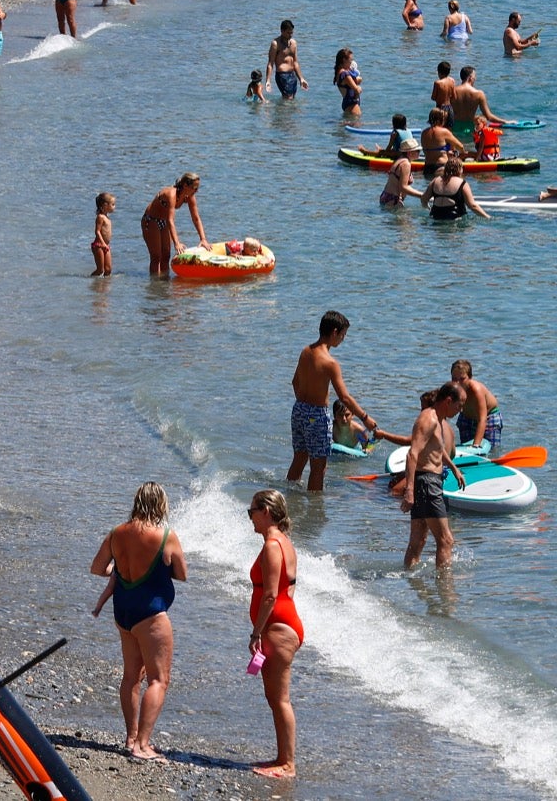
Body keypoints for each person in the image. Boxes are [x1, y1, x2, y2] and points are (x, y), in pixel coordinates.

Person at [90, 483, 188, 761]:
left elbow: (97, 568)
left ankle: (131, 736)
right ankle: (142, 745)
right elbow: (181, 574)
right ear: (161, 505)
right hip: (151, 614)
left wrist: (116, 568)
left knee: (132, 676)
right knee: (159, 679)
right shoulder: (166, 536)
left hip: (123, 611)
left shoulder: (116, 533)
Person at [289, 311, 378, 493]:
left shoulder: (306, 351)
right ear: (335, 332)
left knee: (299, 458)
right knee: (319, 468)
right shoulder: (330, 362)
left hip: (298, 410)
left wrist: (304, 406)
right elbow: (344, 397)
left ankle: (289, 496)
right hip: (316, 415)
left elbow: (294, 382)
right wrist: (364, 417)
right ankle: (315, 511)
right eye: (343, 335)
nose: (342, 340)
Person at [247, 489, 302, 780]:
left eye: (251, 511)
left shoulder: (272, 545)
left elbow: (269, 596)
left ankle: (288, 764)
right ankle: (282, 757)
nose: (250, 518)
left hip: (278, 627)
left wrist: (257, 632)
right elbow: (289, 586)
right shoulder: (285, 543)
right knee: (274, 697)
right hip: (285, 622)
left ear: (266, 511)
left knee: (280, 698)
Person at [401, 382, 468, 568]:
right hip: (427, 484)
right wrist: (409, 490)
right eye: (459, 405)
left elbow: (437, 448)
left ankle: (410, 583)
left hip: (427, 482)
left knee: (418, 541)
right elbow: (412, 453)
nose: (460, 410)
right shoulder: (428, 420)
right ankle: (445, 592)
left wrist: (453, 468)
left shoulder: (437, 419)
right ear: (448, 401)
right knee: (446, 540)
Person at [141, 172, 206, 277]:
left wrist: (203, 239)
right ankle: (155, 286)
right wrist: (177, 243)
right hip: (151, 220)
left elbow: (196, 218)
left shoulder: (189, 196)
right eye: (194, 188)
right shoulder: (171, 194)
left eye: (198, 188)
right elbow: (170, 220)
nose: (196, 191)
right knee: (156, 256)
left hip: (164, 222)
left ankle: (164, 284)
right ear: (185, 185)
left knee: (166, 255)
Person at [449, 359, 501, 452]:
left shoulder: (476, 390)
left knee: (492, 451)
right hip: (467, 418)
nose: (457, 383)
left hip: (488, 417)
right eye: (454, 379)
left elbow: (482, 419)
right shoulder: (452, 390)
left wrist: (476, 446)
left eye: (462, 379)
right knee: (464, 448)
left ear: (470, 377)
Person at [424, 159, 490, 220]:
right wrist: (487, 217)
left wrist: (428, 207)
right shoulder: (462, 183)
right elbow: (472, 206)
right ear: (459, 169)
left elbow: (424, 199)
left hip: (435, 217)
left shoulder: (435, 180)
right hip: (454, 219)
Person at [268, 19, 307, 99]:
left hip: (292, 75)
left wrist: (301, 78)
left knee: (292, 99)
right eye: (288, 33)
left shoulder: (293, 43)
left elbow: (295, 63)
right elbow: (270, 63)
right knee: (288, 99)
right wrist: (268, 80)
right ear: (282, 31)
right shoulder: (275, 44)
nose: (290, 35)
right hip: (282, 75)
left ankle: (281, 110)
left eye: (291, 32)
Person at [381, 138, 425, 207]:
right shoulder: (406, 164)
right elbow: (403, 187)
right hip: (393, 200)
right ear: (410, 153)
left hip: (385, 196)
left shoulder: (399, 160)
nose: (419, 152)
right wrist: (423, 195)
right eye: (418, 151)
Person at [334, 47, 363, 116]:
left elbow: (351, 83)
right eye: (351, 60)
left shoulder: (340, 72)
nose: (352, 62)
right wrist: (359, 88)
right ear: (344, 60)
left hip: (347, 103)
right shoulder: (345, 74)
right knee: (356, 123)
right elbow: (356, 90)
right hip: (352, 104)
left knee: (349, 123)